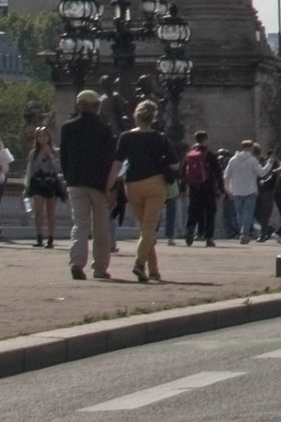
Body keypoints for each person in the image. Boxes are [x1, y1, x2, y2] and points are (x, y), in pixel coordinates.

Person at [112, 101, 176, 283]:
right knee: (149, 228)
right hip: (155, 184)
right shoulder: (161, 138)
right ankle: (139, 264)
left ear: (136, 116)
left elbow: (117, 163)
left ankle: (154, 270)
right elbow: (175, 164)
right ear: (153, 118)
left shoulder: (125, 137)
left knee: (145, 228)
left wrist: (109, 185)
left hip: (133, 185)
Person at [59, 90, 118, 281]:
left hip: (76, 182)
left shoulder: (67, 128)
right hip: (99, 185)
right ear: (96, 106)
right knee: (101, 228)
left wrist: (69, 178)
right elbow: (110, 159)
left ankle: (76, 263)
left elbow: (64, 158)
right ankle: (100, 268)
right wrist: (110, 186)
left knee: (79, 225)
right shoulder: (104, 129)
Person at [21, 126, 64, 249]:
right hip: (37, 182)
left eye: (45, 136)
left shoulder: (55, 151)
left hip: (51, 182)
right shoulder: (33, 153)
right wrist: (27, 186)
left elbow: (58, 167)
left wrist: (50, 154)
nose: (42, 138)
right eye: (40, 136)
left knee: (50, 211)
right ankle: (39, 236)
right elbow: (29, 170)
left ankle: (50, 238)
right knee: (38, 210)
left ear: (49, 137)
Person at [180, 131, 220, 246]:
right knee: (210, 212)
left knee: (193, 209)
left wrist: (183, 188)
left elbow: (183, 173)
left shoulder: (189, 155)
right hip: (208, 187)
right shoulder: (210, 155)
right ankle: (209, 237)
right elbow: (217, 173)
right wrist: (221, 189)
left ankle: (191, 228)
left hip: (194, 187)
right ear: (205, 139)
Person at [221, 139, 264, 242]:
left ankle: (242, 232)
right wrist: (270, 164)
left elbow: (226, 176)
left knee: (239, 213)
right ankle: (245, 233)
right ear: (250, 148)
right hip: (250, 189)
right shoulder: (253, 160)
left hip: (236, 190)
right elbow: (261, 173)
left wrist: (228, 188)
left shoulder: (233, 160)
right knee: (247, 212)